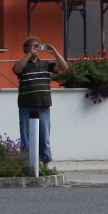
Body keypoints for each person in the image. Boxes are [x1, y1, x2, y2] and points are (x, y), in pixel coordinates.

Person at [15, 36, 71, 164]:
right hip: (25, 105)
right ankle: (26, 163)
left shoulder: (46, 64)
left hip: (43, 104)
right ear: (26, 49)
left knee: (44, 136)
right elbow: (16, 69)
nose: (36, 48)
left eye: (37, 46)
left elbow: (64, 68)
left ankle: (46, 163)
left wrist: (55, 52)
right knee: (25, 136)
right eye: (33, 46)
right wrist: (29, 54)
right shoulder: (23, 64)